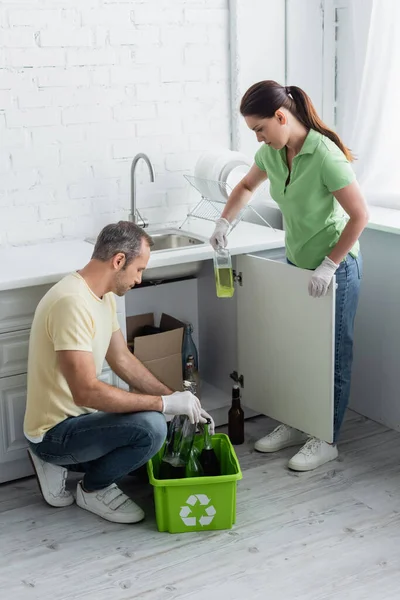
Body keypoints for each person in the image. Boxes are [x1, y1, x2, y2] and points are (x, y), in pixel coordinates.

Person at [210, 80, 369, 472]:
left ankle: (326, 437)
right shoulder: (273, 153)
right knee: (301, 350)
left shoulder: (326, 155)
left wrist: (330, 265)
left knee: (332, 355)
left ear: (281, 116)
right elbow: (247, 185)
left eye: (260, 129)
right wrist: (223, 221)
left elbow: (360, 215)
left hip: (337, 268)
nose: (258, 138)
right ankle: (300, 424)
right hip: (300, 263)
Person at [24, 221, 213, 523]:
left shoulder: (103, 293)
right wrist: (163, 406)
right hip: (54, 433)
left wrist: (175, 397)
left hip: (83, 421)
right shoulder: (71, 303)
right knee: (152, 429)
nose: (139, 279)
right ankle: (92, 489)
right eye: (139, 269)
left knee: (156, 451)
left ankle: (66, 466)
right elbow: (85, 390)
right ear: (119, 261)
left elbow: (122, 359)